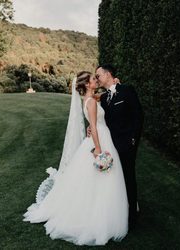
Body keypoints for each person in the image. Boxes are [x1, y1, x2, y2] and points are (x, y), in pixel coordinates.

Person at [23, 71, 128, 246]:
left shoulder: (88, 99)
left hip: (99, 138)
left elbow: (101, 96)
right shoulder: (92, 103)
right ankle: (99, 216)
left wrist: (115, 83)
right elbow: (93, 127)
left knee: (90, 180)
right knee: (103, 178)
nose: (96, 80)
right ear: (87, 84)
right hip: (100, 140)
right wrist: (98, 149)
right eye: (93, 79)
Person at [95, 64, 144, 229]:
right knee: (116, 179)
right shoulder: (103, 98)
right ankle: (119, 211)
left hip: (126, 144)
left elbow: (138, 116)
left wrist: (133, 140)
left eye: (98, 75)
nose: (97, 79)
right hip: (110, 145)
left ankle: (132, 216)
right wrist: (91, 127)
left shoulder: (127, 90)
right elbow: (100, 119)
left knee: (129, 178)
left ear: (108, 75)